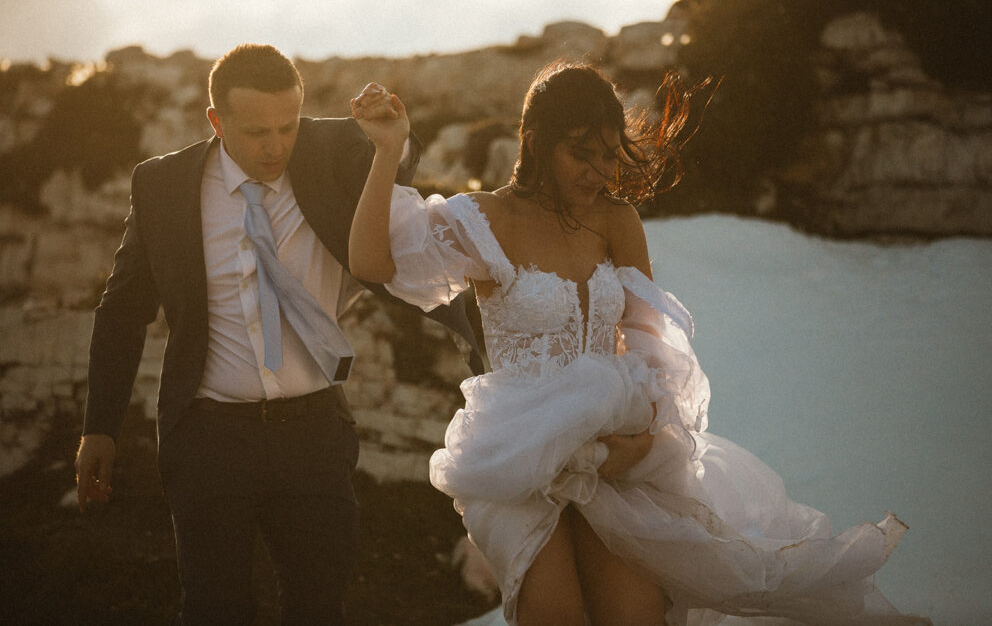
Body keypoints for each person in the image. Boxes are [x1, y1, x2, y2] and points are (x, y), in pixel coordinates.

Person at [347, 62, 931, 625]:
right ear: (536, 140)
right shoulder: (486, 219)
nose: (597, 171)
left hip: (613, 451)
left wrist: (648, 432)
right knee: (555, 616)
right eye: (581, 153)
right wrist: (386, 152)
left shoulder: (616, 220)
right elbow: (372, 262)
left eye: (607, 154)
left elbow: (650, 339)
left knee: (636, 615)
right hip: (522, 455)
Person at [73, 43, 482, 625]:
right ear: (216, 121)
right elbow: (122, 308)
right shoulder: (161, 185)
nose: (275, 146)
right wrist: (100, 427)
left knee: (319, 608)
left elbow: (397, 163)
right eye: (257, 131)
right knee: (215, 610)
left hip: (314, 435)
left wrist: (392, 135)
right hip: (208, 437)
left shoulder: (329, 149)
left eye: (287, 127)